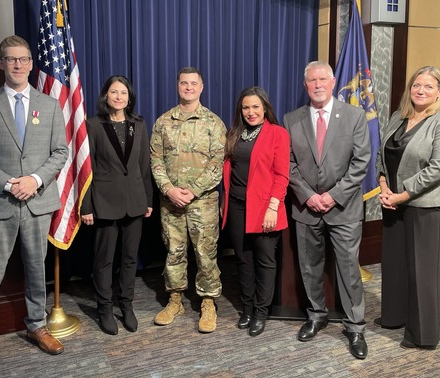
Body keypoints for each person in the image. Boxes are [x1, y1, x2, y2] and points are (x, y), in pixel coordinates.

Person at [0, 35, 68, 376]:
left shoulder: (51, 104)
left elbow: (60, 152)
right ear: (1, 64)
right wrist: (9, 182)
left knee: (35, 268)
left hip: (37, 202)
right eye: (11, 59)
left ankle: (36, 324)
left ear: (31, 63)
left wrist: (35, 180)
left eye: (23, 59)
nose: (18, 64)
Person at [283, 60, 371, 359]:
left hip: (344, 208)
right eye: (312, 80)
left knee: (348, 269)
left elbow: (361, 163)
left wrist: (332, 196)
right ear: (305, 84)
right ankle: (317, 315)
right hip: (306, 209)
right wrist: (308, 196)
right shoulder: (291, 119)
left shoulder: (355, 116)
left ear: (333, 83)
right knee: (309, 267)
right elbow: (289, 164)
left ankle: (355, 326)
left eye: (323, 79)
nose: (318, 84)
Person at [150, 67, 226, 333]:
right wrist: (169, 189)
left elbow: (218, 164)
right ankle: (175, 299)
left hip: (202, 202)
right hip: (171, 202)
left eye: (194, 84)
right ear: (177, 86)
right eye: (184, 83)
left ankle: (208, 302)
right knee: (173, 252)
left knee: (206, 253)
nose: (189, 88)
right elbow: (155, 160)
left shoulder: (214, 123)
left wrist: (193, 190)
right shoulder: (163, 122)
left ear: (202, 87)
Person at [375, 66, 440, 350]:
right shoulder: (398, 117)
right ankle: (394, 316)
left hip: (423, 206)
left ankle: (423, 335)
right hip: (391, 202)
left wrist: (403, 194)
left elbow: (439, 167)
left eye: (429, 87)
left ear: (439, 92)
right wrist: (383, 185)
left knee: (422, 272)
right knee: (393, 265)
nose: (421, 91)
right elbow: (383, 156)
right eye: (417, 85)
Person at [81, 76, 153, 335]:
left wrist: (147, 199)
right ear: (106, 96)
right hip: (104, 203)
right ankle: (104, 308)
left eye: (123, 92)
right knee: (104, 260)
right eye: (114, 92)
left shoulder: (139, 124)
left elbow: (144, 165)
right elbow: (86, 169)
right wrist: (86, 206)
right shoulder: (93, 125)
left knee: (130, 258)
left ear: (129, 97)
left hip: (135, 201)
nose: (119, 96)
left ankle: (127, 305)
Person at [220, 87, 289, 336]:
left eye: (255, 107)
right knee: (243, 259)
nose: (250, 112)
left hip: (264, 208)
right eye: (246, 107)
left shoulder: (277, 134)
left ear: (265, 108)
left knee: (265, 261)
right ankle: (247, 309)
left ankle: (261, 312)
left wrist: (273, 207)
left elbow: (282, 175)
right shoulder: (235, 134)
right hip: (237, 206)